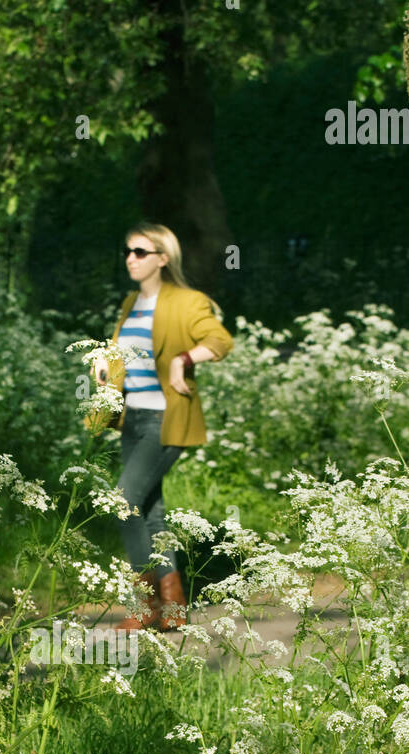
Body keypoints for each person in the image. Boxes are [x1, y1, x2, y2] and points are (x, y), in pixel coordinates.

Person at [91, 223, 234, 631]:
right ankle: (172, 610)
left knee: (123, 502)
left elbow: (220, 340)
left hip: (164, 419)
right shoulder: (131, 302)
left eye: (139, 251)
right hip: (132, 417)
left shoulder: (188, 302)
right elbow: (122, 353)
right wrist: (104, 363)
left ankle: (144, 605)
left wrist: (183, 360)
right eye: (127, 251)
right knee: (150, 513)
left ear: (163, 258)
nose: (130, 259)